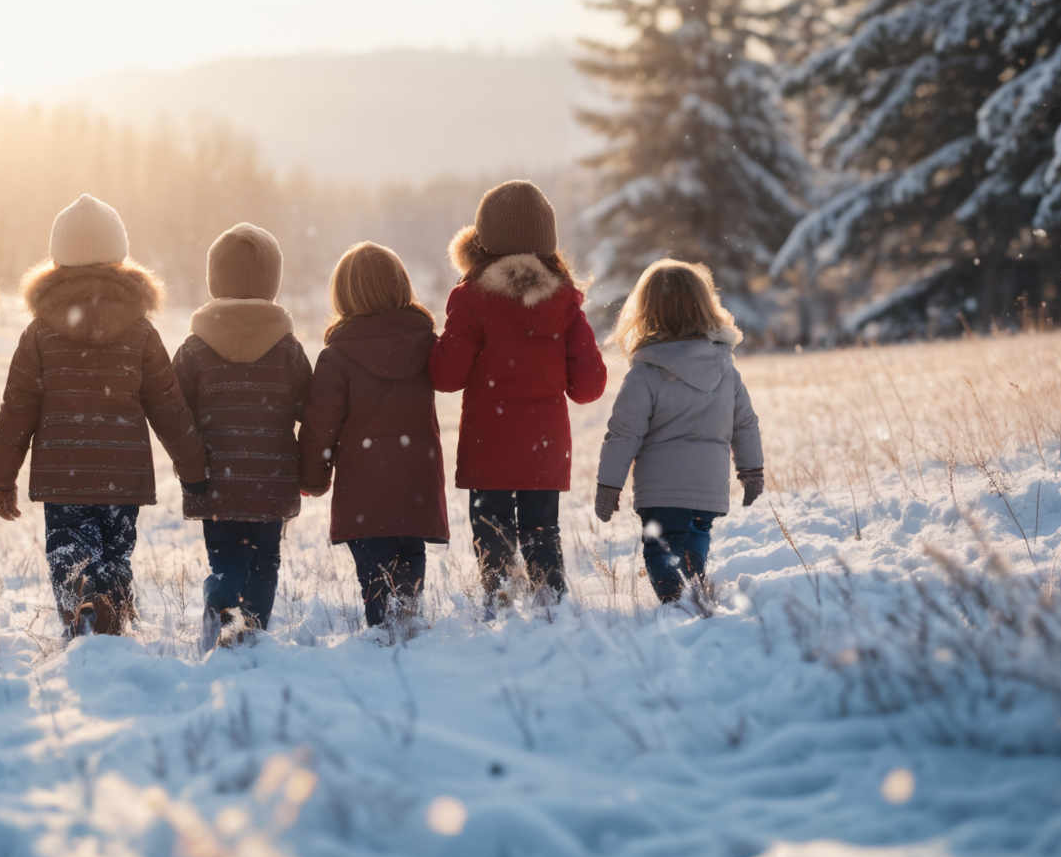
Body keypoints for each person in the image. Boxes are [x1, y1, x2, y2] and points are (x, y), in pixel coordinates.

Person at [0, 194, 209, 638]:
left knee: (70, 551)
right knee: (115, 553)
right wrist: (194, 471)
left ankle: (83, 615)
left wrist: (2, 477)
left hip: (62, 472)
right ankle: (110, 616)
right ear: (119, 255)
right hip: (121, 474)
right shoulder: (140, 330)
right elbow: (168, 406)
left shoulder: (40, 333)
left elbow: (17, 409)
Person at [429, 180, 607, 614]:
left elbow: (446, 376)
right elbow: (589, 387)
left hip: (488, 445)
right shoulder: (564, 301)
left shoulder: (472, 299)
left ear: (483, 239)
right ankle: (551, 604)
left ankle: (500, 598)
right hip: (544, 449)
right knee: (542, 530)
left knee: (491, 528)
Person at [594, 258, 765, 606]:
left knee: (660, 549)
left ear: (646, 312)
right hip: (707, 488)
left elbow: (623, 434)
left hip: (661, 492)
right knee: (696, 539)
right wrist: (752, 470)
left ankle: (676, 603)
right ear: (705, 306)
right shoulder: (725, 368)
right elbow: (744, 423)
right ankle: (692, 593)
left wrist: (608, 485)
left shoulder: (646, 373)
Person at [299, 242, 449, 634]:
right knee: (410, 556)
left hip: (364, 491)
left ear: (344, 294)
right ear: (401, 285)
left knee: (374, 568)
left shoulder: (337, 357)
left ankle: (383, 629)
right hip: (416, 479)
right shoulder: (426, 344)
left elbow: (321, 425)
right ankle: (407, 622)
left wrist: (313, 478)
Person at [174, 224, 311, 648]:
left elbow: (176, 411)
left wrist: (192, 464)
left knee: (224, 556)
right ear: (272, 281)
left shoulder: (195, 348)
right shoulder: (287, 348)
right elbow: (310, 408)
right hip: (271, 479)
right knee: (265, 559)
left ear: (215, 279)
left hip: (216, 478)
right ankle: (251, 628)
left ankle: (223, 614)